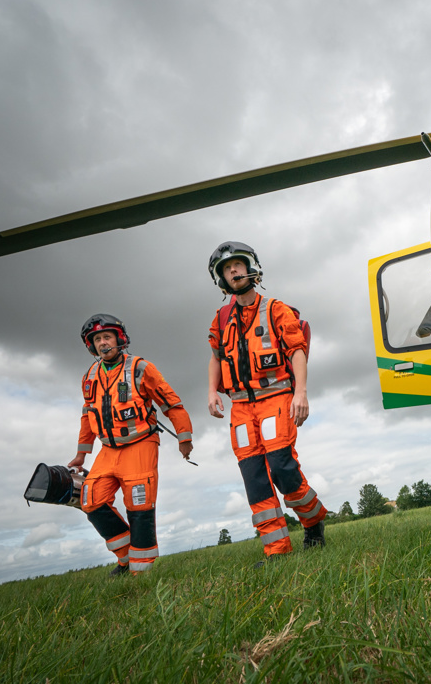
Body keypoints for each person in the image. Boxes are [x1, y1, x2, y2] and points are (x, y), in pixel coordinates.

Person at [207, 241, 326, 559]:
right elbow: (216, 357)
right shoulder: (220, 319)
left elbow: (297, 350)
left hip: (276, 398)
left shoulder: (275, 309)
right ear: (222, 279)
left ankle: (313, 521)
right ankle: (277, 550)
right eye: (226, 268)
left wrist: (300, 392)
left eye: (238, 264)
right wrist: (210, 393)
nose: (233, 270)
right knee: (255, 480)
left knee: (282, 469)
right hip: (241, 409)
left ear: (250, 268)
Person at [68, 314, 193, 576]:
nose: (103, 343)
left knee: (139, 505)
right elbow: (87, 415)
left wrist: (184, 437)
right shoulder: (89, 376)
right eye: (98, 339)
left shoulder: (140, 368)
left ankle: (142, 570)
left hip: (140, 444)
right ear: (92, 346)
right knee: (90, 499)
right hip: (108, 450)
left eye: (107, 337)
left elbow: (170, 402)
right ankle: (125, 558)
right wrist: (82, 454)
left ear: (119, 339)